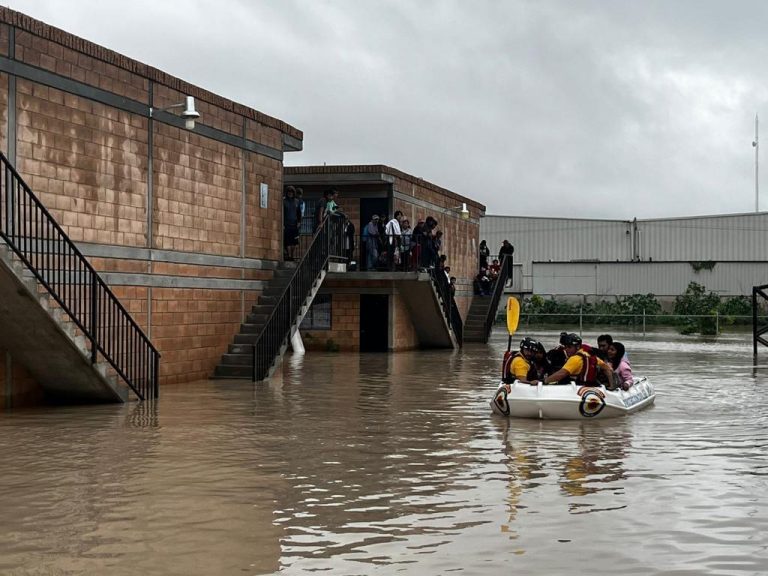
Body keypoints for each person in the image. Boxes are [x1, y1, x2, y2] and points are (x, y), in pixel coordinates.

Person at [544, 333, 615, 388]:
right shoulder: (590, 356)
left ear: (577, 347)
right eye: (565, 347)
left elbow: (561, 374)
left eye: (569, 347)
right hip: (590, 387)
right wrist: (612, 386)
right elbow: (607, 369)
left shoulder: (575, 359)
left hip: (576, 389)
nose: (566, 349)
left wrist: (544, 381)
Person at [282, 186, 301, 261]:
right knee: (288, 242)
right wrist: (282, 224)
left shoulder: (296, 201)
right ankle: (289, 256)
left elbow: (299, 213)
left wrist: (299, 222)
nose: (290, 193)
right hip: (286, 224)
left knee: (294, 242)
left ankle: (292, 255)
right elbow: (282, 213)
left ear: (294, 193)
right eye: (289, 192)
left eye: (292, 192)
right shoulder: (284, 201)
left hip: (294, 224)